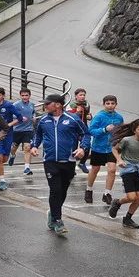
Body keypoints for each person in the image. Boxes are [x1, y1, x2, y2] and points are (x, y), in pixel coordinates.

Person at [31, 94, 91, 235]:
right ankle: (58, 220)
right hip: (50, 160)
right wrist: (34, 146)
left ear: (57, 105)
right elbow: (37, 135)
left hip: (69, 160)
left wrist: (82, 148)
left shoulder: (73, 119)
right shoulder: (43, 120)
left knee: (63, 190)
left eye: (47, 104)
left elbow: (86, 134)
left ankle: (53, 213)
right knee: (55, 189)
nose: (45, 106)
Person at [109, 119, 139, 228]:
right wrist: (119, 160)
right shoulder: (127, 140)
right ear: (134, 130)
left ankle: (128, 218)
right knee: (131, 197)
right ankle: (117, 202)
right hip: (127, 169)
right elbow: (114, 150)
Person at [86, 95, 124, 205]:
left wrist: (120, 140)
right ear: (104, 104)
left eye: (112, 103)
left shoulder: (119, 117)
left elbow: (121, 131)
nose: (110, 106)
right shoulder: (99, 116)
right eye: (108, 103)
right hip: (98, 147)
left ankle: (107, 193)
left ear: (116, 104)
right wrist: (104, 129)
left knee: (112, 170)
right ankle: (89, 190)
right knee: (95, 169)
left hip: (112, 148)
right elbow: (91, 131)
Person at [0, 88, 21, 203]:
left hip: (7, 133)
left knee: (4, 158)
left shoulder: (9, 106)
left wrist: (9, 124)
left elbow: (19, 117)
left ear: (3, 96)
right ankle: (2, 180)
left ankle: (0, 167)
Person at [10, 88, 37, 175]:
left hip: (28, 129)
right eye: (23, 95)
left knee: (27, 147)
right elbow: (11, 114)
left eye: (26, 95)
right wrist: (20, 118)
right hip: (17, 129)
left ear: (29, 96)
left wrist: (34, 117)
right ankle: (12, 155)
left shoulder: (32, 104)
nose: (24, 97)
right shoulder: (16, 104)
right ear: (20, 96)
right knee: (13, 148)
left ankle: (27, 167)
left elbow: (33, 112)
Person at [67, 88, 93, 174]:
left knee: (87, 145)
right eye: (80, 95)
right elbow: (68, 116)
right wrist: (77, 112)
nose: (82, 97)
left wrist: (89, 116)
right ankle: (72, 167)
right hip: (73, 129)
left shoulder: (86, 104)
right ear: (76, 96)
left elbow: (88, 114)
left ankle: (82, 163)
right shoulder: (71, 105)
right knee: (73, 148)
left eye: (84, 95)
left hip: (83, 128)